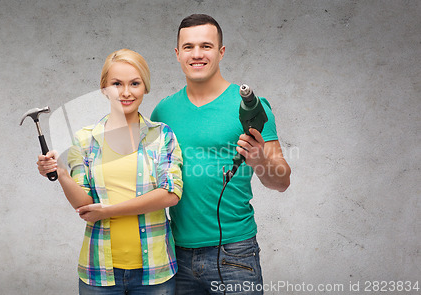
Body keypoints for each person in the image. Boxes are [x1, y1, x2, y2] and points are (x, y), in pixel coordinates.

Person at [150, 14, 291, 294]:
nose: (197, 54)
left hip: (235, 254)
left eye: (206, 46)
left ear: (221, 52)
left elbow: (282, 181)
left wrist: (260, 160)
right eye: (188, 47)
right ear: (178, 54)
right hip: (175, 253)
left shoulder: (252, 107)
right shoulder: (162, 112)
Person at [37, 48, 183, 295]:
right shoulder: (85, 139)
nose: (126, 92)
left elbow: (170, 193)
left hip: (155, 272)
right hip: (99, 272)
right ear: (103, 88)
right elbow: (83, 203)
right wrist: (61, 173)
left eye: (134, 83)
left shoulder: (161, 135)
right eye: (117, 84)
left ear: (145, 87)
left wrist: (109, 211)